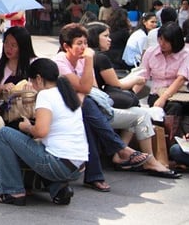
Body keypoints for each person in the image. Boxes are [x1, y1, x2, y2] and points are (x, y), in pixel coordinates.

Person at [52, 23, 150, 193]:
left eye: (85, 43)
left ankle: (96, 175)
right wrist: (84, 85)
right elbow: (84, 87)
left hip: (82, 106)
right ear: (66, 46)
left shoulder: (84, 60)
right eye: (79, 43)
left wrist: (83, 90)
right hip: (62, 106)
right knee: (88, 107)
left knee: (88, 121)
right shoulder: (60, 61)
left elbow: (92, 88)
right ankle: (120, 149)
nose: (84, 47)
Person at [85, 23, 180, 179]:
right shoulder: (99, 58)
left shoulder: (89, 57)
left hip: (96, 105)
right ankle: (149, 161)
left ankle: (122, 155)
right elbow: (117, 84)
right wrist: (135, 79)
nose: (110, 39)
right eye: (105, 36)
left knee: (136, 111)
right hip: (97, 109)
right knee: (141, 115)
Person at [0, 58, 87, 206]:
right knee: (37, 147)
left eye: (32, 81)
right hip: (78, 166)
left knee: (4, 133)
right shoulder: (67, 93)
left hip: (59, 165)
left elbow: (40, 132)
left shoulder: (45, 95)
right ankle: (58, 188)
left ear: (39, 79)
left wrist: (27, 127)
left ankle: (12, 191)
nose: (33, 86)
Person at [143, 22, 189, 115]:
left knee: (175, 106)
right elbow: (143, 76)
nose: (162, 44)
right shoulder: (150, 52)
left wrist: (163, 98)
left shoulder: (186, 54)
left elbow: (181, 79)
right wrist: (132, 94)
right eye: (160, 39)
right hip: (156, 92)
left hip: (179, 92)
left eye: (166, 41)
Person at [0, 26, 38, 97]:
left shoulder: (35, 64)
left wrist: (34, 88)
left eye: (13, 45)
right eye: (6, 43)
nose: (8, 48)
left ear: (23, 47)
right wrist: (1, 88)